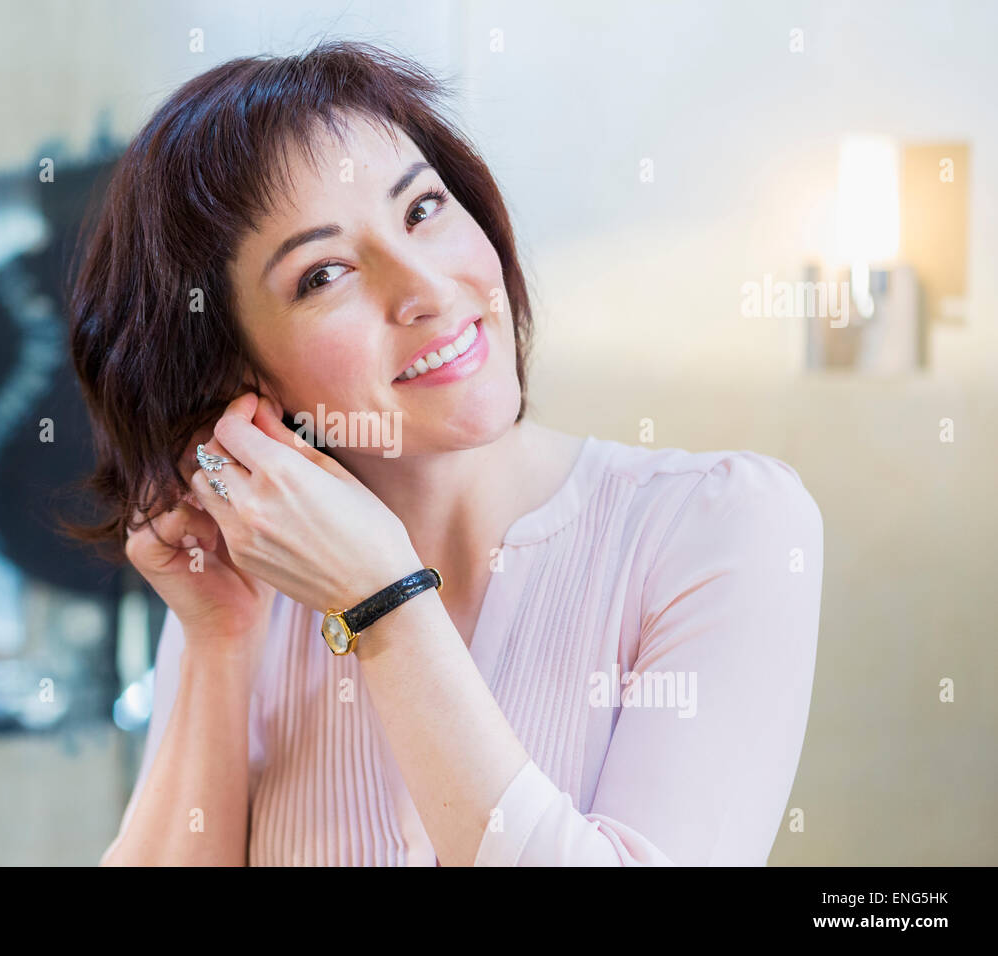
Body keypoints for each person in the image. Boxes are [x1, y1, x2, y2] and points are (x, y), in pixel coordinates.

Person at [68, 41, 823, 866]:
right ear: (239, 374)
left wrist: (384, 602)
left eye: (422, 209)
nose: (425, 287)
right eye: (324, 274)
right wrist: (217, 641)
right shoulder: (253, 585)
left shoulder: (720, 526)